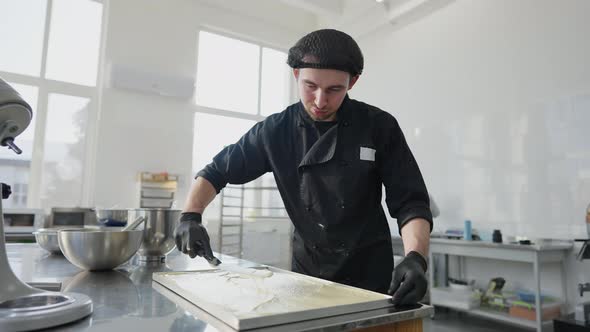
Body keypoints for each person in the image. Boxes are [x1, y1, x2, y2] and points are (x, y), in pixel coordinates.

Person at [174, 29, 432, 306]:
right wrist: (191, 216)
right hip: (309, 274)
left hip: (372, 275)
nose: (321, 101)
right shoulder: (275, 131)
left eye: (335, 89)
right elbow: (216, 172)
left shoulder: (379, 126)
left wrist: (415, 257)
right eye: (311, 86)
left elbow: (411, 203)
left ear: (353, 82)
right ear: (296, 75)